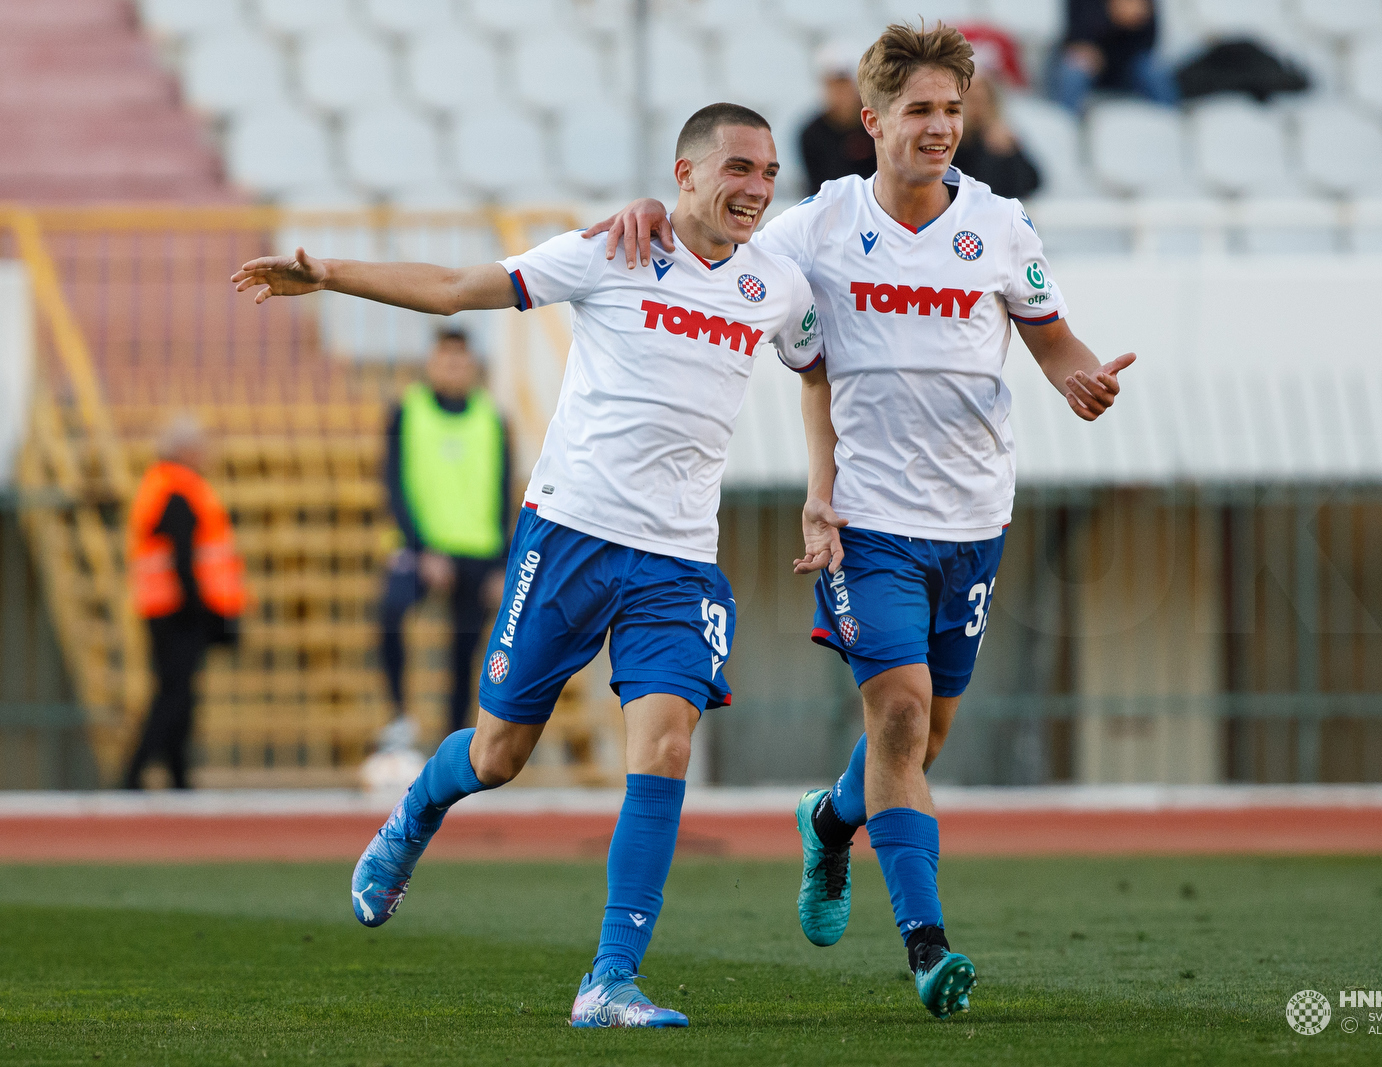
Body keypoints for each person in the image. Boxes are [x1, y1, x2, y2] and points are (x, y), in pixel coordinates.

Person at [231, 102, 821, 1029]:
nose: (756, 187)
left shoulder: (779, 285)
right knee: (499, 754)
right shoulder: (610, 249)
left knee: (665, 745)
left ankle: (609, 980)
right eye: (739, 168)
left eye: (769, 171)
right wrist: (331, 274)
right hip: (570, 538)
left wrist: (822, 490)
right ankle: (418, 811)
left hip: (678, 559)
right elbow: (458, 285)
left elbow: (817, 366)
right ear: (687, 172)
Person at [589, 22, 1135, 1020]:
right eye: (920, 110)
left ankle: (831, 820)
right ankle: (929, 948)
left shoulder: (1001, 225)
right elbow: (715, 233)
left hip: (973, 517)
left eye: (952, 111)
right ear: (872, 118)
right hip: (867, 520)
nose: (939, 128)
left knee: (925, 739)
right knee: (898, 713)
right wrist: (650, 210)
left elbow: (1052, 339)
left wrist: (1081, 380)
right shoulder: (819, 226)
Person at [377, 327, 512, 755]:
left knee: (465, 653)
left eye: (461, 359)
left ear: (472, 365)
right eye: (445, 359)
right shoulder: (406, 411)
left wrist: (501, 563)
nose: (453, 367)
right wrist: (420, 549)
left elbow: (506, 492)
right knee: (390, 611)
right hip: (424, 549)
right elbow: (393, 483)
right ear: (431, 363)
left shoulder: (493, 418)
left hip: (478, 552)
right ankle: (400, 716)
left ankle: (453, 746)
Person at [124, 416, 245, 789]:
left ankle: (177, 777)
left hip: (165, 607)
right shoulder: (177, 489)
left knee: (178, 694)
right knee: (174, 696)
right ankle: (133, 775)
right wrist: (203, 611)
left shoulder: (163, 485)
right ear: (186, 450)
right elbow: (184, 557)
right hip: (177, 610)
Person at [1050, 0, 1180, 115]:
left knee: (1154, 71)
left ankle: (1172, 125)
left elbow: (1148, 44)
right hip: (1090, 65)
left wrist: (1133, 22)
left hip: (1127, 65)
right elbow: (1075, 37)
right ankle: (1064, 128)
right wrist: (1112, 18)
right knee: (1073, 71)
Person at [799, 40, 876, 194]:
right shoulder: (810, 134)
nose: (839, 91)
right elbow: (815, 189)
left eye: (843, 83)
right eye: (832, 84)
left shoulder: (878, 124)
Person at [951, 71, 1040, 200]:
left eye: (983, 101)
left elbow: (1033, 181)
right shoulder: (953, 143)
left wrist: (1009, 151)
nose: (978, 109)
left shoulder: (1001, 137)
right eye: (972, 101)